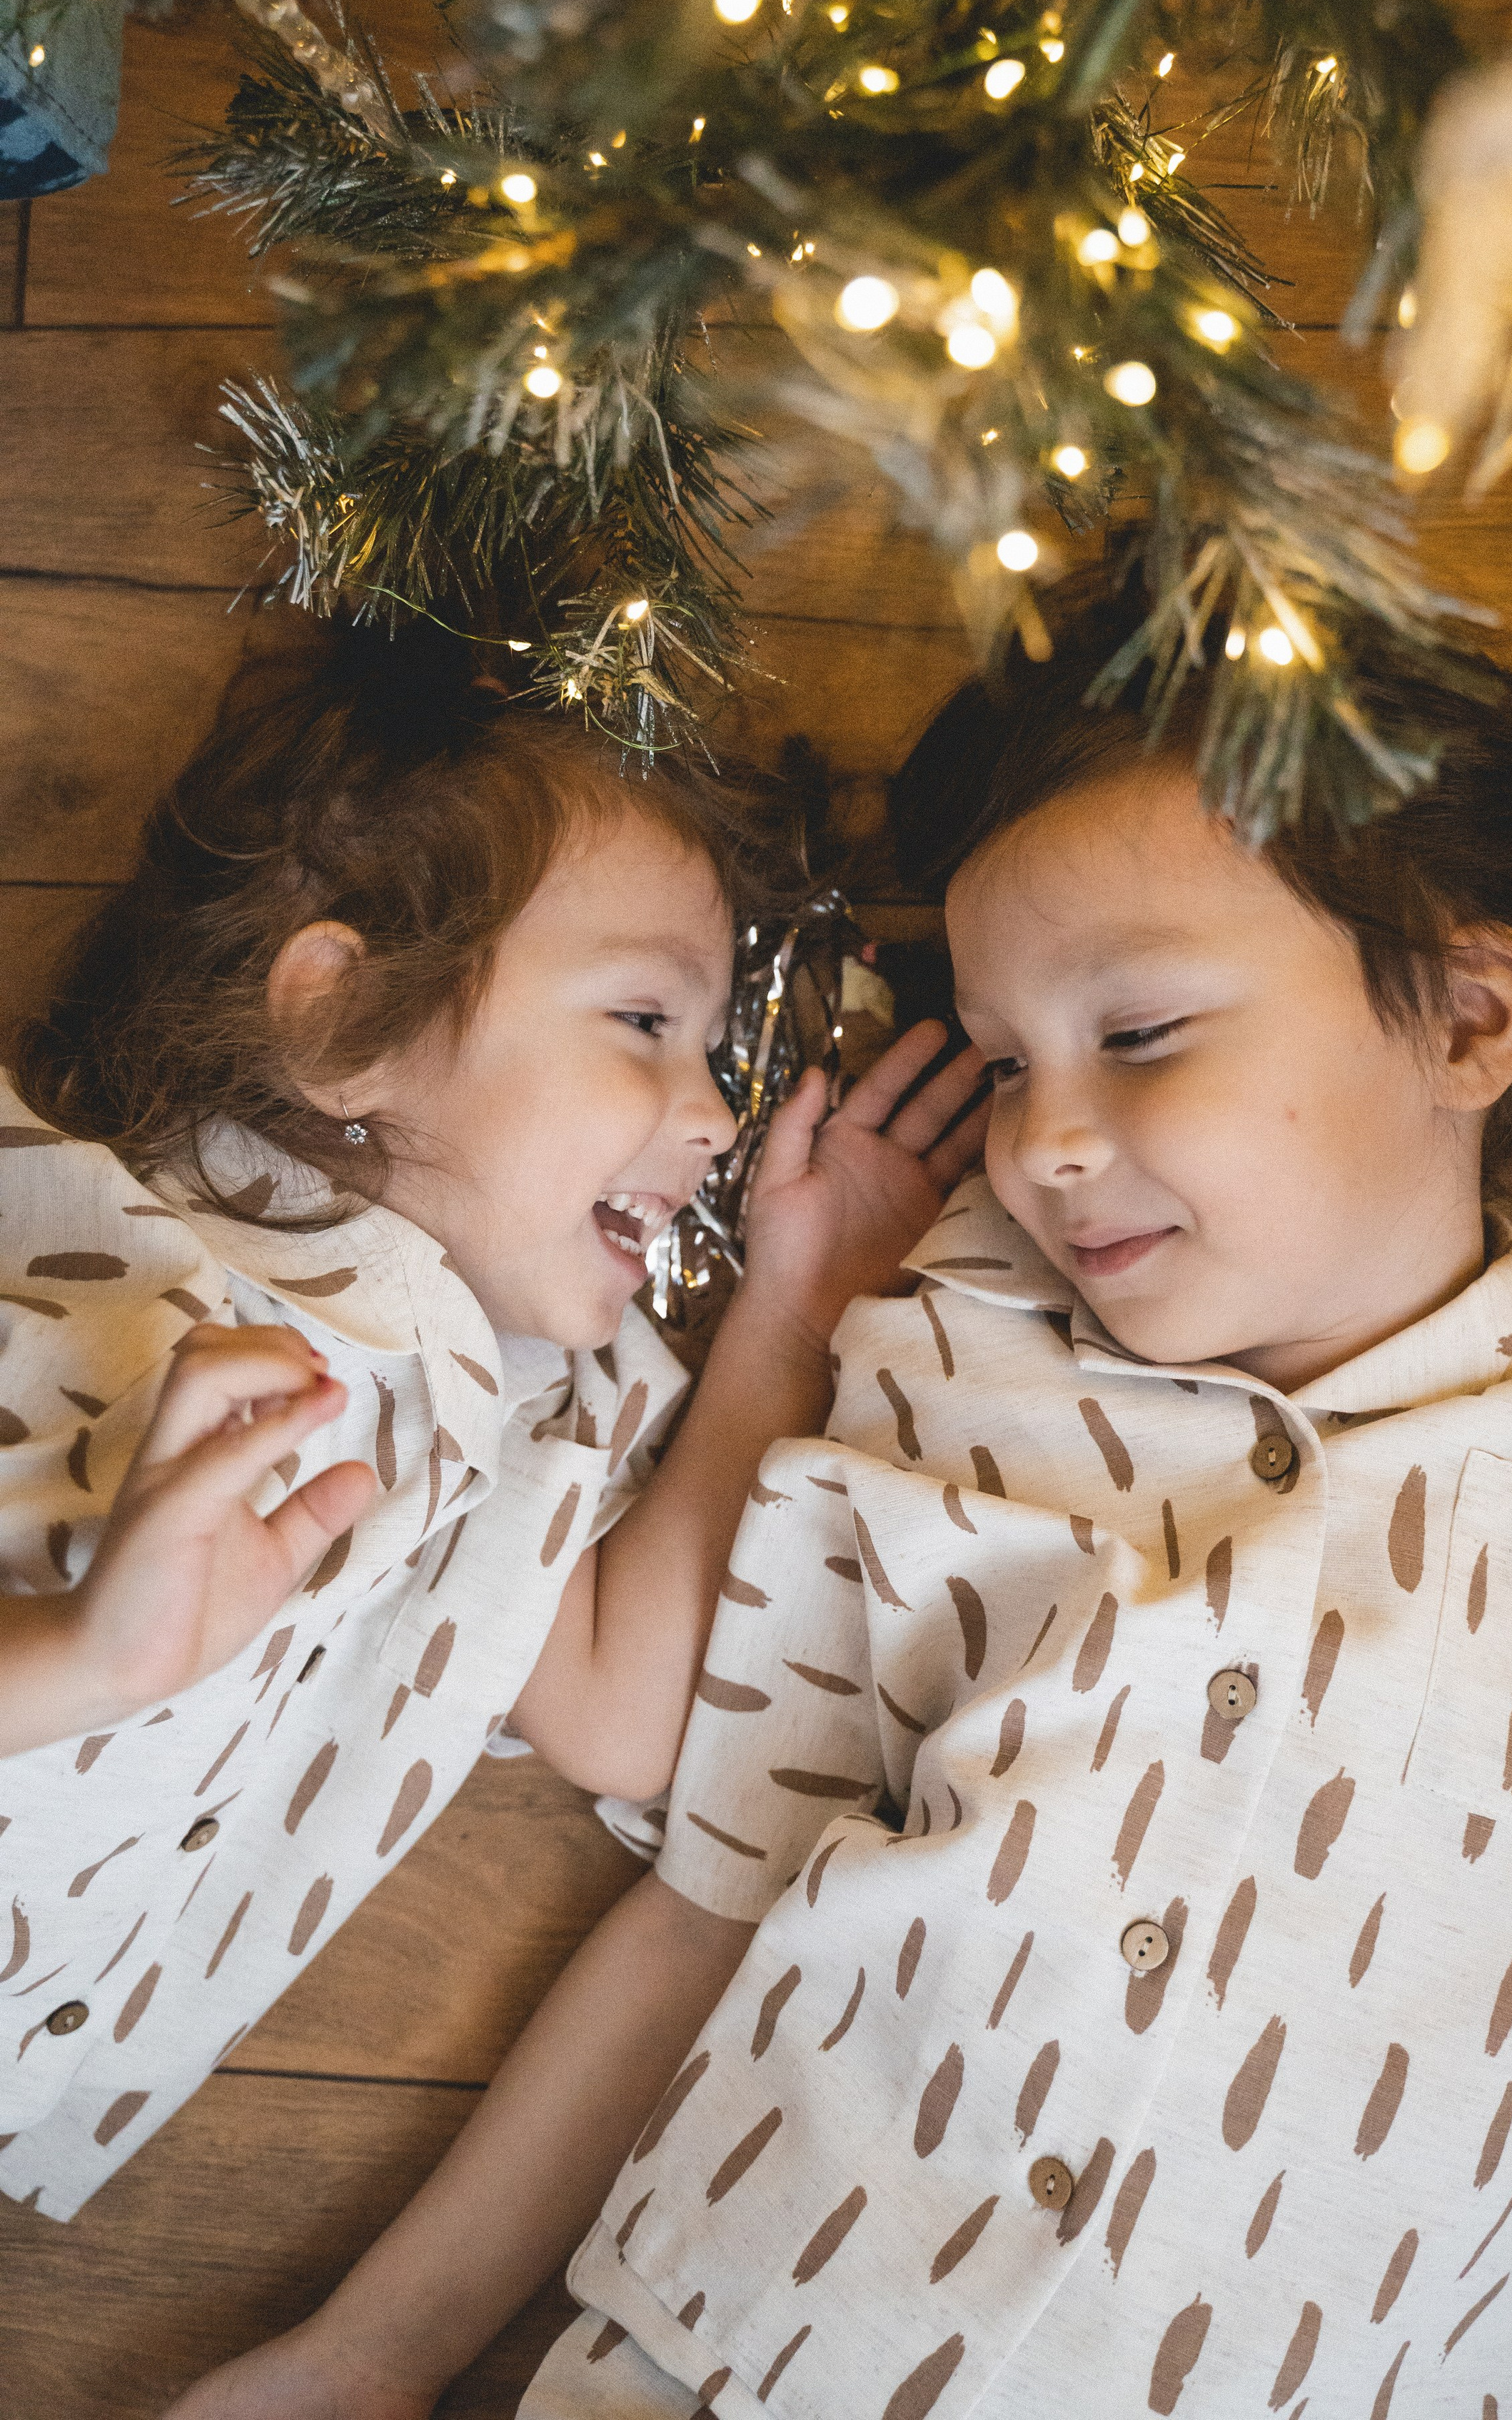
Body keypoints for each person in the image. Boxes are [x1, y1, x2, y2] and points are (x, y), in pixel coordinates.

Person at [168, 596, 1512, 2420]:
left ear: (1463, 1013)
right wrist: (376, 2349)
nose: (1039, 1141)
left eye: (1139, 1033)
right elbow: (704, 1916)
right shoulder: (940, 1374)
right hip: (744, 2357)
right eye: (1008, 1060)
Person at [0, 620, 984, 2223]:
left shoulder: (526, 1410)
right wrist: (89, 1658)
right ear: (344, 1027)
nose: (717, 1110)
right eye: (644, 1023)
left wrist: (788, 1320)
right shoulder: (78, 1247)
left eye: (718, 1045)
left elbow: (619, 1716)